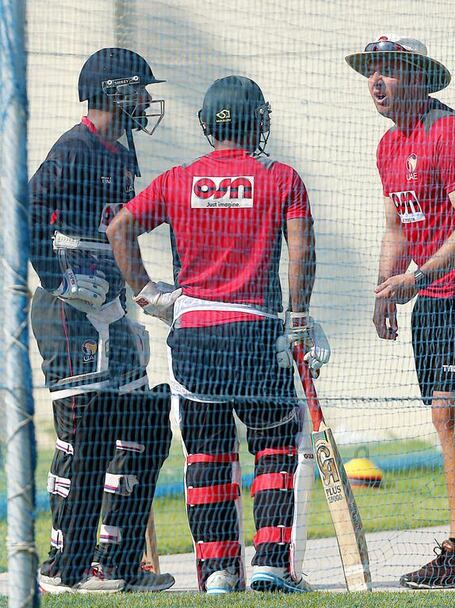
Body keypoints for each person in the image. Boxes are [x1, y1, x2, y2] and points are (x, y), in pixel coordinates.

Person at [107, 75, 329, 594]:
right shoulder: (282, 177)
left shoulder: (179, 178)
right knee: (274, 448)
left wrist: (147, 294)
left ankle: (218, 573)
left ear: (208, 126)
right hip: (256, 333)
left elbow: (119, 228)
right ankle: (273, 563)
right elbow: (301, 252)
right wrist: (297, 316)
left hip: (195, 336)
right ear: (259, 122)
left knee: (207, 456)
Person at [346, 36, 455, 589]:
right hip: (435, 293)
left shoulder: (450, 131)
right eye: (372, 71)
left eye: (390, 71)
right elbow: (398, 226)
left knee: (454, 412)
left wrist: (416, 278)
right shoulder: (387, 147)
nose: (377, 81)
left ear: (420, 78)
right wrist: (384, 289)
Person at [29, 47, 174, 593]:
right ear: (114, 90)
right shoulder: (74, 147)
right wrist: (56, 278)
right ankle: (63, 569)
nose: (145, 100)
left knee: (140, 425)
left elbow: (121, 226)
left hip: (113, 304)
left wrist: (143, 292)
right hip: (71, 310)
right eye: (139, 89)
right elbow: (23, 213)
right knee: (86, 432)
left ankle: (114, 565)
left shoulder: (123, 147)